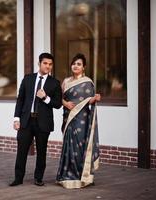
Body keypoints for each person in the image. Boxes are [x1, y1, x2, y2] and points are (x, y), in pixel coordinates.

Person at [9, 53, 62, 187]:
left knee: (42, 152)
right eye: (45, 63)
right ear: (39, 64)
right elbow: (20, 100)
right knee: (21, 150)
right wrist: (16, 119)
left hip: (43, 123)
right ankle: (18, 178)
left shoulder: (55, 83)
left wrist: (45, 98)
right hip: (26, 121)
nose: (48, 66)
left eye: (50, 64)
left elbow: (58, 104)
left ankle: (38, 178)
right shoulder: (28, 79)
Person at [56, 53, 101, 189]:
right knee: (69, 146)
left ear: (84, 67)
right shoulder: (66, 81)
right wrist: (66, 104)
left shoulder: (88, 82)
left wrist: (95, 98)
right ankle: (67, 176)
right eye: (74, 63)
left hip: (82, 119)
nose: (75, 66)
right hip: (69, 118)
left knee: (80, 146)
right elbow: (59, 98)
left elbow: (89, 101)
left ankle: (83, 176)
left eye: (79, 64)